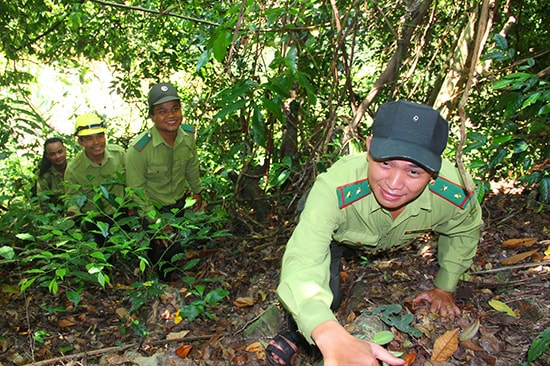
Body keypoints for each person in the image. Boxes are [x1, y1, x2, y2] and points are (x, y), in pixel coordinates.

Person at [267, 100, 483, 366]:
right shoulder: (334, 190)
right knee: (328, 295)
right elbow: (304, 260)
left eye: (413, 172)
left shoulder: (455, 192)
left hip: (385, 238)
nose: (393, 184)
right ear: (369, 148)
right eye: (385, 164)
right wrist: (326, 330)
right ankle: (296, 334)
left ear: (433, 172)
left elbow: (465, 230)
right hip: (340, 233)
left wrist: (445, 286)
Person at [125, 82, 203, 279]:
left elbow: (191, 166)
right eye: (162, 111)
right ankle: (159, 289)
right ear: (152, 117)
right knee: (161, 255)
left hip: (177, 205)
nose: (171, 115)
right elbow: (137, 192)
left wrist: (197, 191)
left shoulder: (187, 137)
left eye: (175, 109)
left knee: (175, 254)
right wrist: (157, 221)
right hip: (151, 209)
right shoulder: (139, 149)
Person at [64, 113, 126, 246]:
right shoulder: (74, 169)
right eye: (89, 138)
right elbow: (72, 199)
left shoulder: (119, 154)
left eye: (100, 136)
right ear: (80, 142)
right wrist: (72, 214)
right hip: (95, 221)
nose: (96, 142)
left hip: (123, 213)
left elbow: (133, 182)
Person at [35, 137, 68, 210]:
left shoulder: (76, 167)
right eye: (52, 154)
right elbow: (44, 205)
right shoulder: (45, 177)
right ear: (47, 156)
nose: (57, 156)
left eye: (60, 152)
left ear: (65, 150)